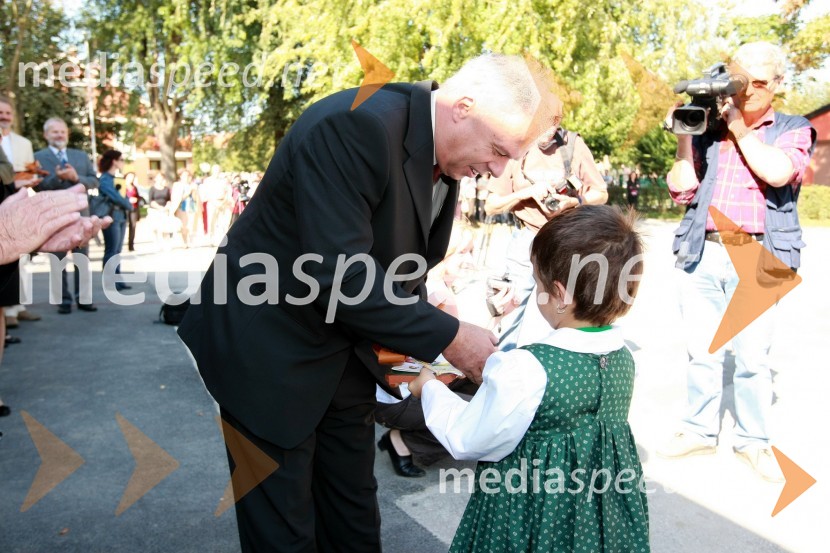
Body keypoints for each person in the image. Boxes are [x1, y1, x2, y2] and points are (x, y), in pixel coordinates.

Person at [177, 53, 562, 552]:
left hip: (344, 353)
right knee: (283, 529)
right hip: (266, 352)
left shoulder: (441, 155)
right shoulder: (354, 125)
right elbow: (339, 271)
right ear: (462, 107)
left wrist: (425, 315)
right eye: (497, 150)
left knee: (353, 512)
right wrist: (450, 339)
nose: (497, 169)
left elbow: (392, 260)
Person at [409, 205, 648, 553]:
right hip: (599, 516)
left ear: (560, 293)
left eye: (537, 282)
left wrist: (428, 387)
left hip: (527, 514)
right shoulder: (622, 357)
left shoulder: (528, 367)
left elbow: (468, 438)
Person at [657, 42, 816, 483]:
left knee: (751, 358)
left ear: (778, 85)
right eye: (741, 79)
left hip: (761, 253)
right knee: (702, 352)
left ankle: (753, 441)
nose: (745, 92)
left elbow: (778, 172)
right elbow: (683, 191)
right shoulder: (708, 129)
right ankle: (698, 431)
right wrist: (686, 138)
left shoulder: (792, 127)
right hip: (703, 248)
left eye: (758, 83)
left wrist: (739, 129)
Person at [485, 125, 608, 350]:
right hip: (527, 239)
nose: (550, 132)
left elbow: (601, 193)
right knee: (509, 309)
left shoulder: (572, 144)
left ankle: (563, 369)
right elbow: (491, 205)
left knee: (568, 310)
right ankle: (496, 366)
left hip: (566, 240)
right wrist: (527, 193)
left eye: (555, 125)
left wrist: (574, 202)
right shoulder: (517, 145)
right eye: (544, 125)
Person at [34, 117, 100, 314]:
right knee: (57, 260)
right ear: (46, 135)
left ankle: (84, 298)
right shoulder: (38, 157)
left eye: (62, 131)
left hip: (81, 217)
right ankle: (63, 300)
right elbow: (37, 186)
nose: (60, 135)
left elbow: (94, 182)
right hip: (54, 217)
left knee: (82, 259)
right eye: (55, 132)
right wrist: (58, 178)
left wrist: (75, 178)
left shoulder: (80, 156)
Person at [0, 95, 41, 327]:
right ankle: (6, 312)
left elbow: (30, 172)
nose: (4, 117)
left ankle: (17, 307)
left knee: (20, 258)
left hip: (18, 204)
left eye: (7, 113)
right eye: (0, 112)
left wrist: (24, 178)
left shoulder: (23, 143)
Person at [97, 150, 133, 289]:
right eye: (121, 159)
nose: (123, 162)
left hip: (121, 216)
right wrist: (128, 204)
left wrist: (126, 203)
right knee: (111, 250)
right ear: (114, 161)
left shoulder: (117, 178)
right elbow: (116, 197)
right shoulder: (105, 179)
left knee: (117, 251)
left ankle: (117, 279)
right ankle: (110, 280)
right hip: (111, 217)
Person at [171, 169, 201, 247]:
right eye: (185, 175)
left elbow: (196, 198)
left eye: (188, 175)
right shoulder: (177, 185)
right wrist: (188, 192)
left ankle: (191, 241)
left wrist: (194, 192)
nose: (187, 177)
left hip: (192, 207)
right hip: (182, 208)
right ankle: (184, 242)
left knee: (192, 225)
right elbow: (177, 198)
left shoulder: (193, 185)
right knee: (184, 226)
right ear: (181, 176)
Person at [124, 172, 142, 251]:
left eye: (132, 177)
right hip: (125, 208)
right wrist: (128, 200)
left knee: (133, 226)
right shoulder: (122, 186)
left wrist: (137, 199)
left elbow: (138, 196)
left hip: (134, 208)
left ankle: (131, 245)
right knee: (123, 225)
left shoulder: (134, 187)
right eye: (130, 176)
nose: (131, 178)